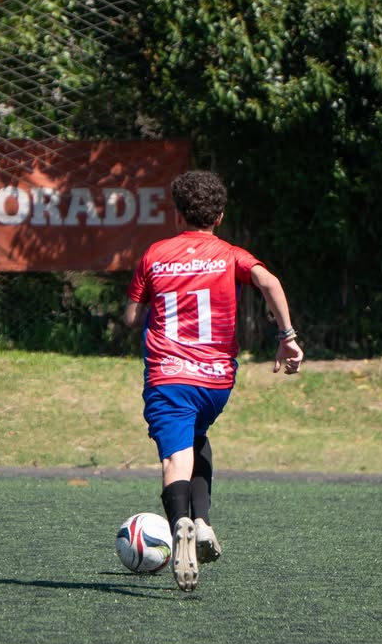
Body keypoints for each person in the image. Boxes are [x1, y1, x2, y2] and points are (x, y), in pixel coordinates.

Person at [124, 170, 304, 592]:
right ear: (219, 216)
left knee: (175, 458)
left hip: (170, 375)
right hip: (216, 380)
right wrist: (287, 337)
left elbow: (131, 317)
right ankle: (202, 522)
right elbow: (269, 281)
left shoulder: (155, 255)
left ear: (178, 214)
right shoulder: (230, 254)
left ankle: (180, 526)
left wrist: (146, 307)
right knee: (197, 439)